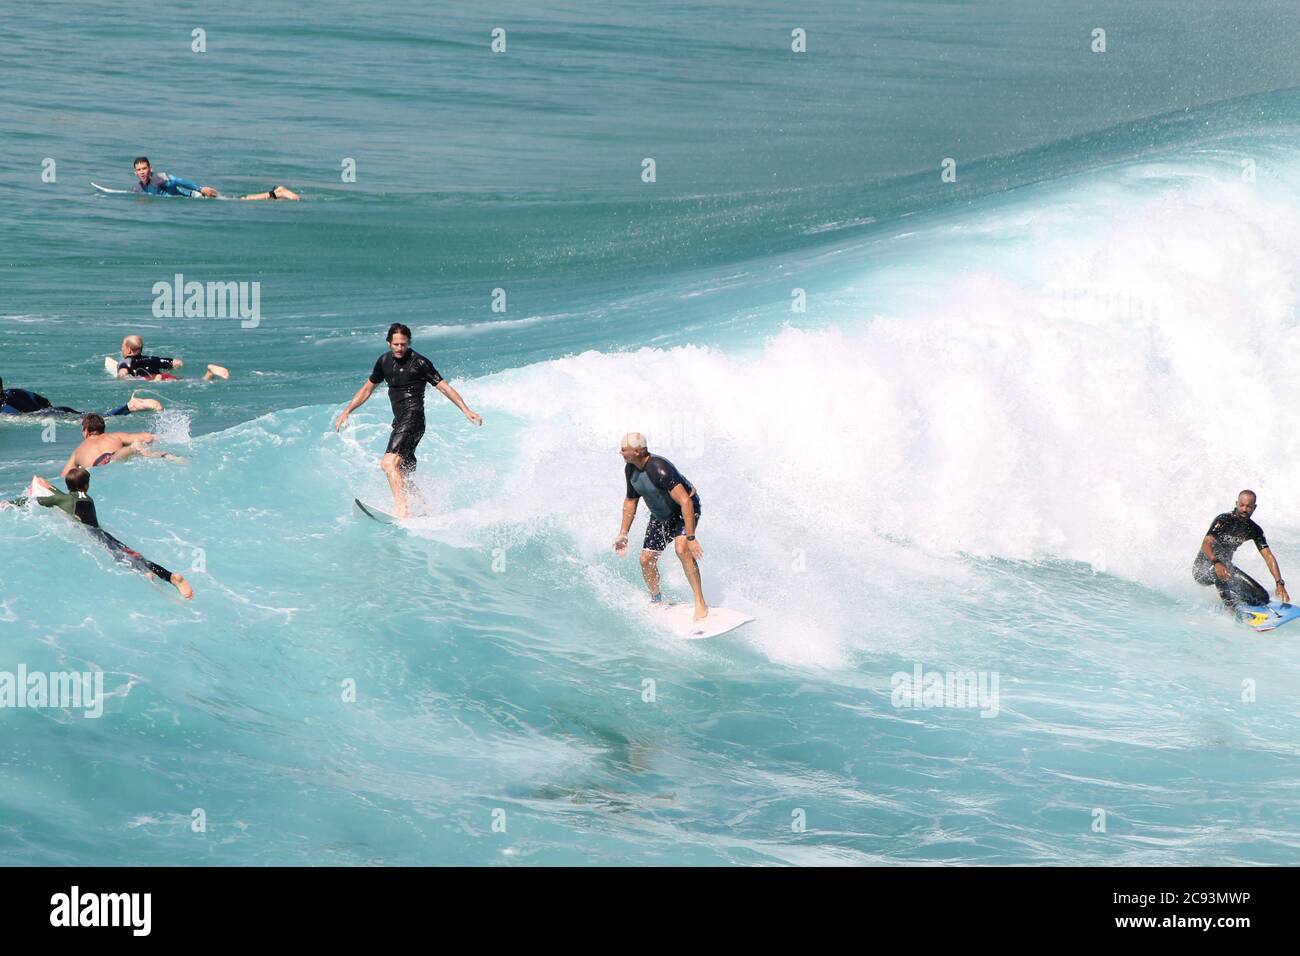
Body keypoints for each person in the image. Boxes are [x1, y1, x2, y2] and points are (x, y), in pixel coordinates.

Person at [334, 323, 483, 518]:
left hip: (413, 418)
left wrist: (466, 409)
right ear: (389, 343)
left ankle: (402, 510)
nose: (399, 348)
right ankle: (427, 509)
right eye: (396, 344)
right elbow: (366, 389)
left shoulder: (420, 362)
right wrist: (347, 411)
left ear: (409, 343)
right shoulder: (384, 362)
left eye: (403, 344)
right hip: (401, 421)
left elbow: (444, 387)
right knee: (401, 473)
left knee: (388, 463)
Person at [2, 470, 193, 599]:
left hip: (94, 536)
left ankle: (146, 574)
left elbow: (35, 501)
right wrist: (50, 486)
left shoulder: (62, 498)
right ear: (86, 485)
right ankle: (169, 576)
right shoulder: (87, 497)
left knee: (120, 559)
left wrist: (10, 502)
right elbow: (68, 496)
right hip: (105, 534)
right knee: (134, 554)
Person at [613, 432, 708, 621]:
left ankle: (700, 604)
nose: (620, 453)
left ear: (638, 451)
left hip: (684, 511)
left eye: (625, 450)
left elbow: (686, 502)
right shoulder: (630, 470)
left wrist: (690, 537)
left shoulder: (659, 468)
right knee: (646, 559)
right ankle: (656, 600)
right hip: (660, 516)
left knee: (682, 550)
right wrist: (623, 533)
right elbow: (631, 501)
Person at [1194, 489, 1290, 610]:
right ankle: (1231, 608)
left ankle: (1236, 598)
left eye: (1249, 506)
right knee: (1222, 572)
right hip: (1203, 570)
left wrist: (1279, 583)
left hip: (1226, 569)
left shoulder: (1254, 529)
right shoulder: (1223, 520)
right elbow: (1206, 543)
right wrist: (1216, 562)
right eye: (1242, 505)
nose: (1244, 509)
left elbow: (1268, 556)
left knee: (1262, 598)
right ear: (1236, 504)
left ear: (1254, 508)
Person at [60, 414, 183, 475]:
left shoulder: (78, 451)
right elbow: (147, 437)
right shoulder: (114, 436)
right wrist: (159, 437)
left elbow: (64, 474)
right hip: (114, 456)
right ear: (102, 428)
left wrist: (80, 467)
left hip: (99, 466)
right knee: (126, 454)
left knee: (115, 458)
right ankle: (168, 456)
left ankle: (133, 449)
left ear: (85, 431)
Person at [131, 156, 299, 200]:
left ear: (150, 168)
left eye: (144, 168)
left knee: (240, 200)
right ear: (135, 172)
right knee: (239, 199)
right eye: (139, 170)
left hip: (197, 198)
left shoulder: (159, 178)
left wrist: (200, 188)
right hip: (192, 201)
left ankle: (277, 192)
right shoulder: (138, 189)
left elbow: (178, 181)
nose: (142, 171)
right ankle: (275, 194)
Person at [1, 375, 161, 416]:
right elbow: (43, 401)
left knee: (101, 418)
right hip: (59, 410)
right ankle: (129, 406)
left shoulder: (4, 409)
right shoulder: (13, 392)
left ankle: (129, 406)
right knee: (96, 416)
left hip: (54, 417)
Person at [116, 335, 229, 382]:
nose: (121, 349)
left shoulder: (125, 361)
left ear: (129, 350)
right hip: (168, 377)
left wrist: (119, 378)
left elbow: (123, 373)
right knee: (198, 381)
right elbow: (176, 363)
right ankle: (210, 372)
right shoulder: (153, 358)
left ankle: (210, 373)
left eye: (122, 347)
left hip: (152, 380)